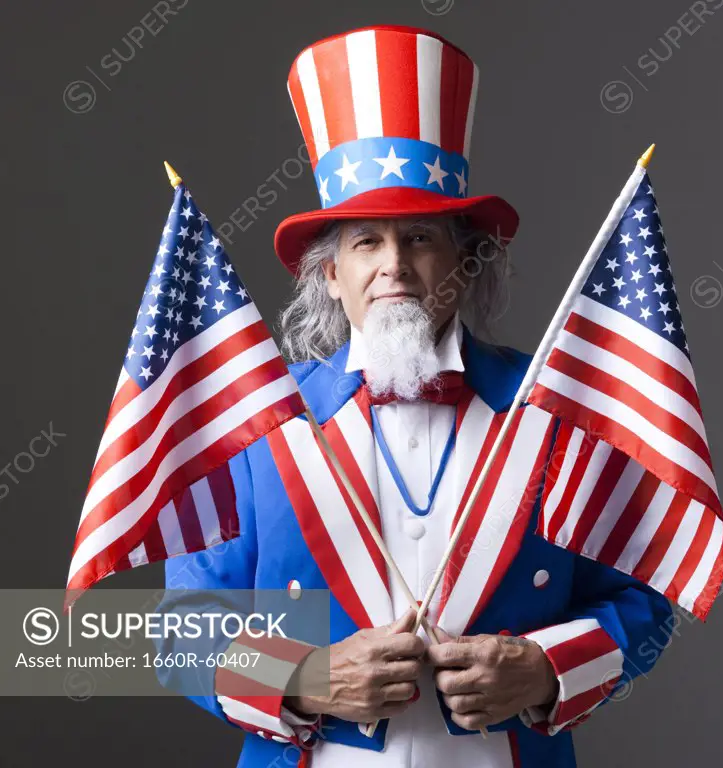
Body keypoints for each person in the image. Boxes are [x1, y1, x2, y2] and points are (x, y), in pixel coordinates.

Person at [157, 24, 674, 768]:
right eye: (366, 241)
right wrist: (306, 677)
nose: (394, 266)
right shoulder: (257, 418)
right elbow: (185, 629)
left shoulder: (553, 407)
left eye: (422, 239)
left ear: (465, 261)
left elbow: (645, 602)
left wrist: (546, 667)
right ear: (329, 274)